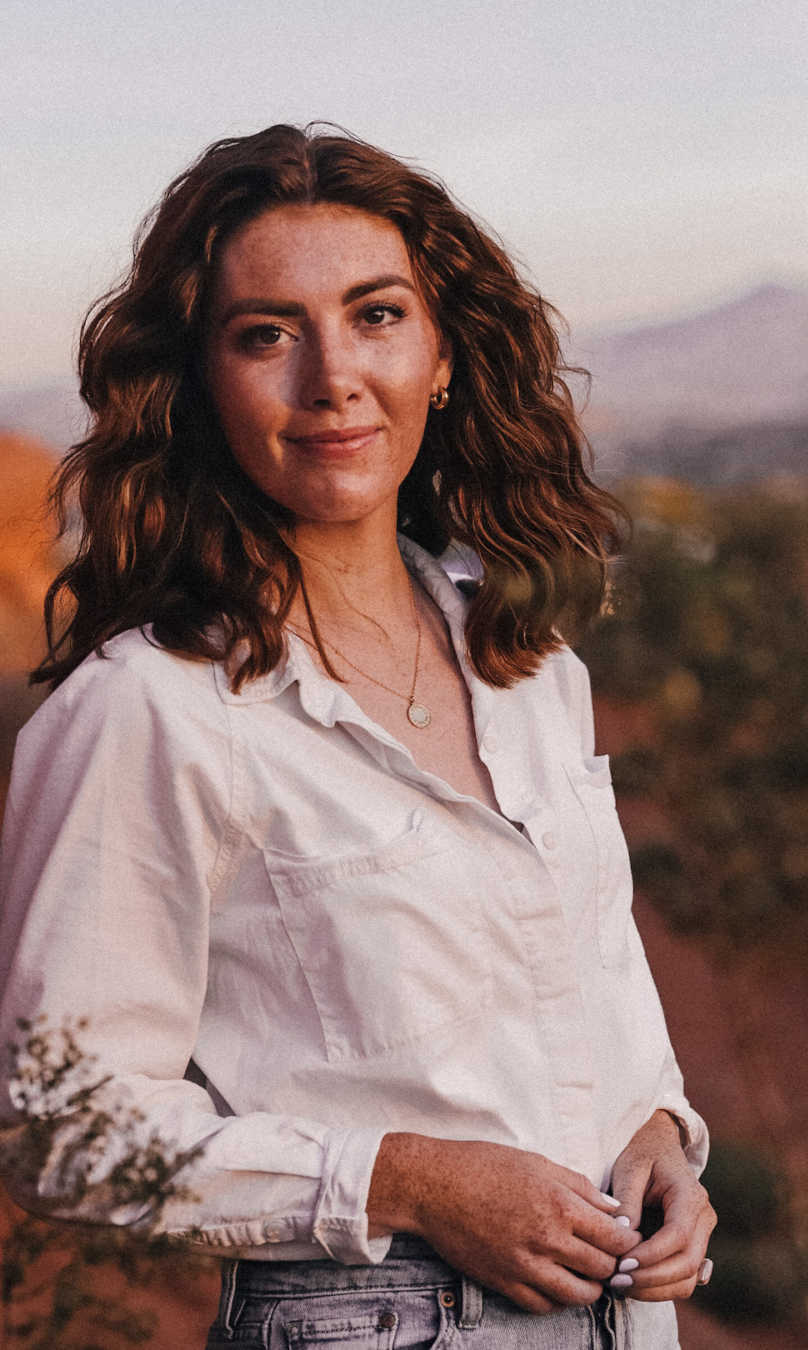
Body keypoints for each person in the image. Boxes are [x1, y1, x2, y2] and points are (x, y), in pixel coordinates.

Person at [0, 124, 715, 1349]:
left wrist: (659, 1133)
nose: (332, 375)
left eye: (377, 315)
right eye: (266, 332)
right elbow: (60, 1130)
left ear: (442, 356)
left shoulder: (532, 664)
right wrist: (404, 1178)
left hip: (618, 1322)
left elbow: (591, 982)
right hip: (364, 1319)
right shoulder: (152, 711)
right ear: (196, 382)